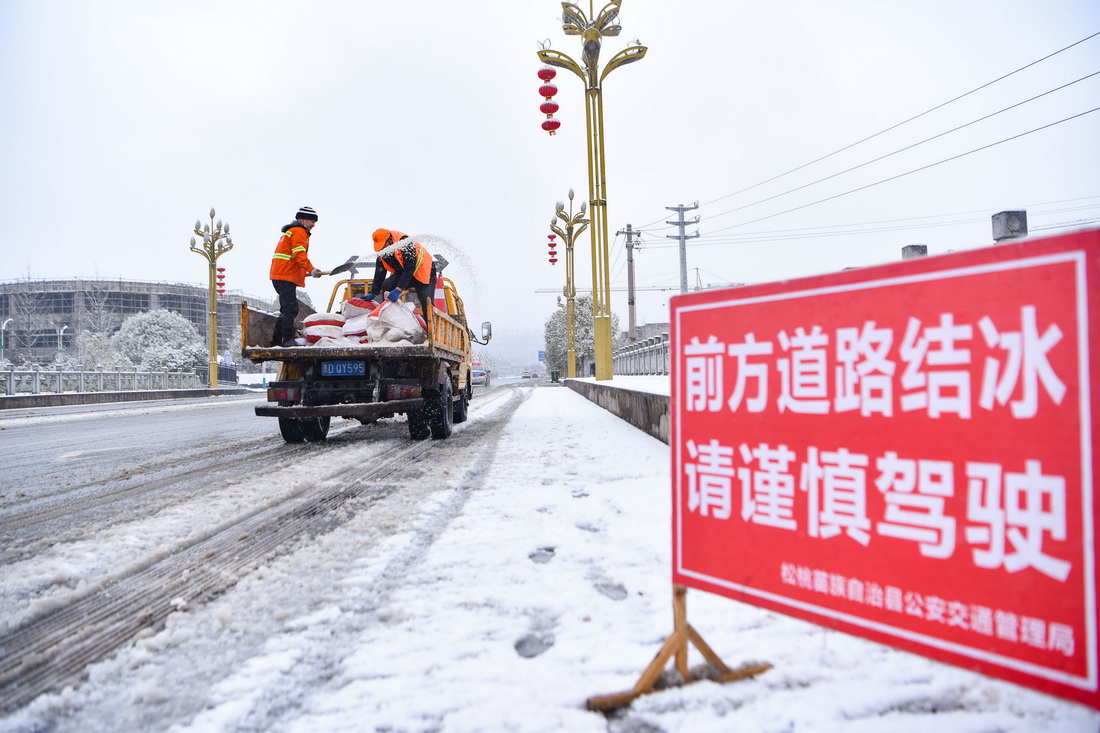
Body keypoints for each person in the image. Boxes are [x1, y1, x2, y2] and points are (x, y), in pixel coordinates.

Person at [269, 206, 328, 347]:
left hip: (281, 275)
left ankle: (277, 340)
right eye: (311, 221)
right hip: (285, 276)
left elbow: (291, 258)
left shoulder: (291, 232)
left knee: (286, 309)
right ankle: (287, 340)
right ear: (301, 219)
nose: (313, 224)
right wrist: (312, 269)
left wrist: (305, 272)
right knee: (290, 309)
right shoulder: (299, 231)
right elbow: (299, 255)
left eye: (315, 222)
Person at [365, 228, 438, 317]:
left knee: (426, 303)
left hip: (425, 272)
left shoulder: (405, 242)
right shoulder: (383, 252)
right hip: (405, 273)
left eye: (384, 246)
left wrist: (398, 289)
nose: (383, 249)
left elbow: (410, 267)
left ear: (390, 240)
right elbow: (380, 272)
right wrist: (374, 292)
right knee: (387, 285)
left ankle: (430, 329)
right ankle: (390, 319)